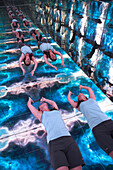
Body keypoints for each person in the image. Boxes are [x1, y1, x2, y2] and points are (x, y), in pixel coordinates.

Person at [27, 97, 85, 170]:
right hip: (54, 142)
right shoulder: (41, 115)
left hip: (68, 139)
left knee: (77, 168)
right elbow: (29, 105)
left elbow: (53, 103)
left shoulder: (55, 110)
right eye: (41, 104)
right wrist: (30, 100)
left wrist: (45, 99)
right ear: (40, 109)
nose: (42, 103)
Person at [67, 85, 113, 159]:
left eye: (81, 94)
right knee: (111, 151)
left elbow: (89, 89)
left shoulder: (92, 99)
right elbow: (69, 99)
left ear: (86, 96)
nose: (79, 95)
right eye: (78, 96)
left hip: (108, 122)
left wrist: (82, 87)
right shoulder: (79, 106)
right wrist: (69, 93)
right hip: (97, 128)